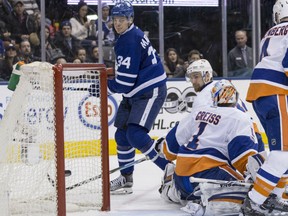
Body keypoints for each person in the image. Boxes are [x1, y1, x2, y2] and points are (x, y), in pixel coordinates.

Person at [89, 0, 170, 194]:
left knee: (135, 135)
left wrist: (104, 88)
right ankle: (126, 179)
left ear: (130, 19)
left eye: (122, 19)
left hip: (150, 90)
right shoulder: (130, 34)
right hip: (136, 91)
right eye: (115, 19)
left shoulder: (129, 40)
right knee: (122, 136)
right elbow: (127, 75)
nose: (117, 23)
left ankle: (170, 171)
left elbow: (124, 82)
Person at [158, 80, 259, 214]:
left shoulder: (198, 112)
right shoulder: (240, 118)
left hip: (181, 175)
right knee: (253, 193)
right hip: (207, 175)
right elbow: (244, 158)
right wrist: (260, 180)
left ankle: (173, 188)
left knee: (187, 185)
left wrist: (161, 146)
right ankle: (211, 200)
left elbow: (169, 150)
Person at [241, 1, 288, 215]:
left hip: (261, 95)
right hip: (277, 93)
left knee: (282, 151)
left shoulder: (270, 32)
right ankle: (255, 200)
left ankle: (275, 197)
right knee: (283, 154)